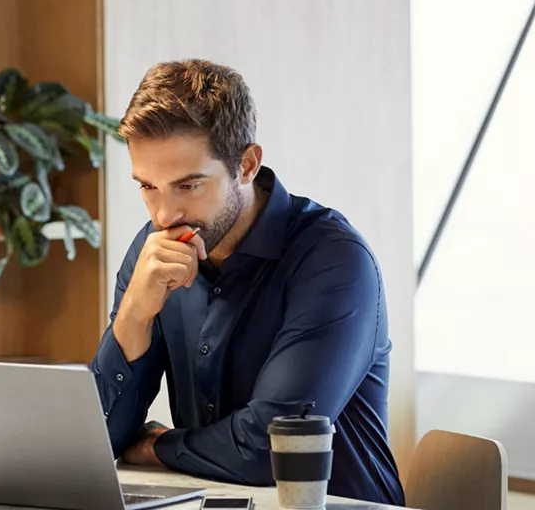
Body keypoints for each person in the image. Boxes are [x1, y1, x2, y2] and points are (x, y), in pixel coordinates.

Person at [91, 60, 405, 506]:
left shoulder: (334, 262)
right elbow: (100, 437)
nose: (163, 215)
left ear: (247, 164)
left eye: (188, 186)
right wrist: (134, 317)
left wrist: (158, 447)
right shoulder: (154, 253)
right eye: (148, 187)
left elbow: (271, 448)